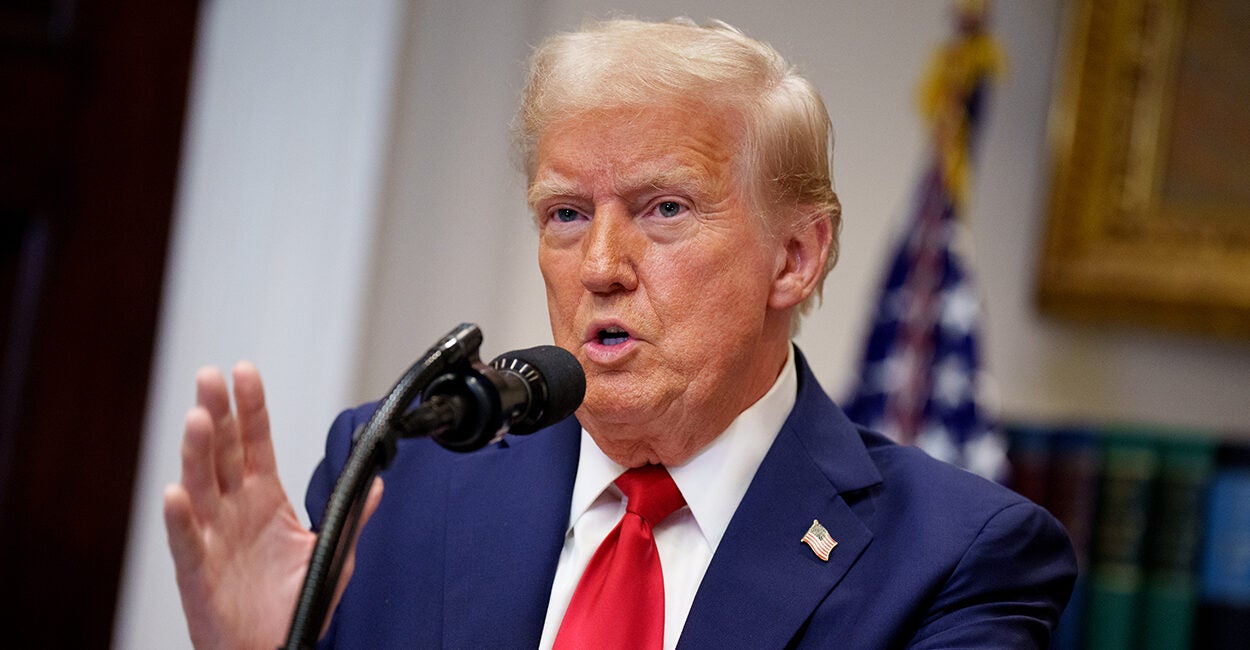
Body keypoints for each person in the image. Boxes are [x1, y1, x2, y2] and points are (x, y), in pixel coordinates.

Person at [164, 18, 1076, 649]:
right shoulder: (396, 476)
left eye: (664, 208)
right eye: (564, 214)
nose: (600, 263)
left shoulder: (960, 557)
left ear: (795, 256)